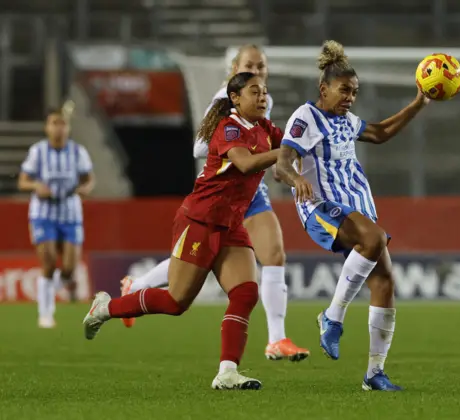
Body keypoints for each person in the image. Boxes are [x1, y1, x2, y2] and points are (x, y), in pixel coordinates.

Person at [83, 72, 283, 390]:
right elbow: (246, 164)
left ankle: (227, 372)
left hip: (231, 223)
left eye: (264, 92)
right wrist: (286, 156)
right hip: (200, 221)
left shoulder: (264, 128)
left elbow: (290, 146)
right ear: (235, 98)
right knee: (176, 302)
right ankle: (106, 308)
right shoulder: (228, 127)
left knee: (245, 293)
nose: (263, 97)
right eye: (254, 92)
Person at [121, 45, 308, 362]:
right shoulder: (225, 101)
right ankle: (137, 286)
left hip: (250, 193)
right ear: (234, 69)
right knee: (195, 267)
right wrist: (236, 149)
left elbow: (273, 144)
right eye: (250, 65)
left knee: (274, 253)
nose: (258, 71)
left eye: (262, 66)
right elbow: (198, 147)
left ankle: (277, 339)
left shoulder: (263, 99)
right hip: (220, 193)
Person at [275, 40, 430, 391]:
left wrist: (418, 103)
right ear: (323, 89)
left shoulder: (346, 120)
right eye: (344, 91)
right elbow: (282, 163)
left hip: (357, 207)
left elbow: (379, 133)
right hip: (321, 206)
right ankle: (332, 316)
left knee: (385, 283)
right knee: (374, 238)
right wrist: (297, 178)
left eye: (354, 92)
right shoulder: (306, 117)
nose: (350, 98)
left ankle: (375, 373)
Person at [18, 107, 95, 328]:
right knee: (49, 262)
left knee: (70, 268)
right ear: (46, 127)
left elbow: (89, 179)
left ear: (68, 127)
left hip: (71, 214)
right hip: (43, 214)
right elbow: (23, 180)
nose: (59, 128)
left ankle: (47, 294)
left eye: (62, 123)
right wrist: (35, 186)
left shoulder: (77, 152)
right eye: (54, 123)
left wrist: (85, 188)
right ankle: (45, 313)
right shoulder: (38, 152)